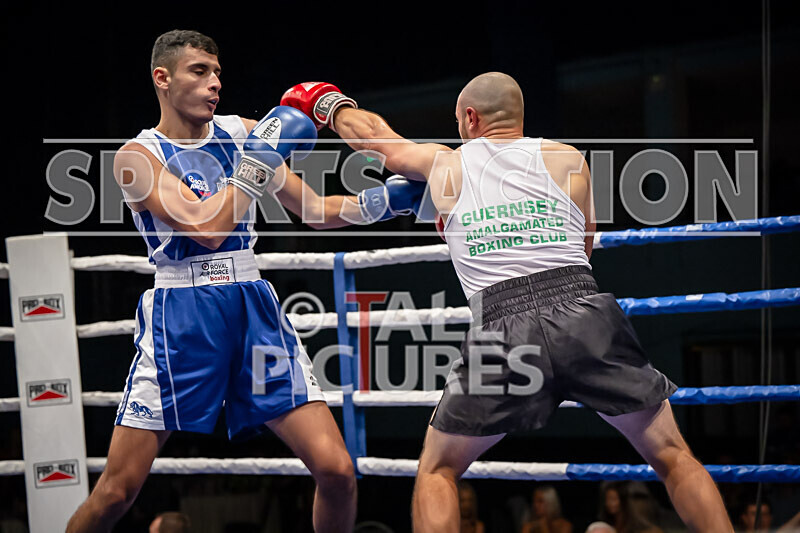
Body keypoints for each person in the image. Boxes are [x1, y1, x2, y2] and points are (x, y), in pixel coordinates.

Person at [280, 73, 735, 532]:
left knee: (438, 471)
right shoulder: (568, 158)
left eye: (458, 121)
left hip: (502, 324)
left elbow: (376, 140)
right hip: (583, 307)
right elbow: (584, 246)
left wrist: (329, 105)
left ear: (471, 118)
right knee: (673, 455)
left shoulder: (445, 163)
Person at [66, 30, 431, 533]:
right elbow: (207, 228)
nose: (214, 83)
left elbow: (315, 211)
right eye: (199, 71)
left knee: (337, 469)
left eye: (218, 73)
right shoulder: (137, 158)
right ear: (162, 78)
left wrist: (387, 201)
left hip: (253, 307)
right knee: (116, 491)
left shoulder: (242, 133)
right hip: (183, 317)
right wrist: (255, 163)